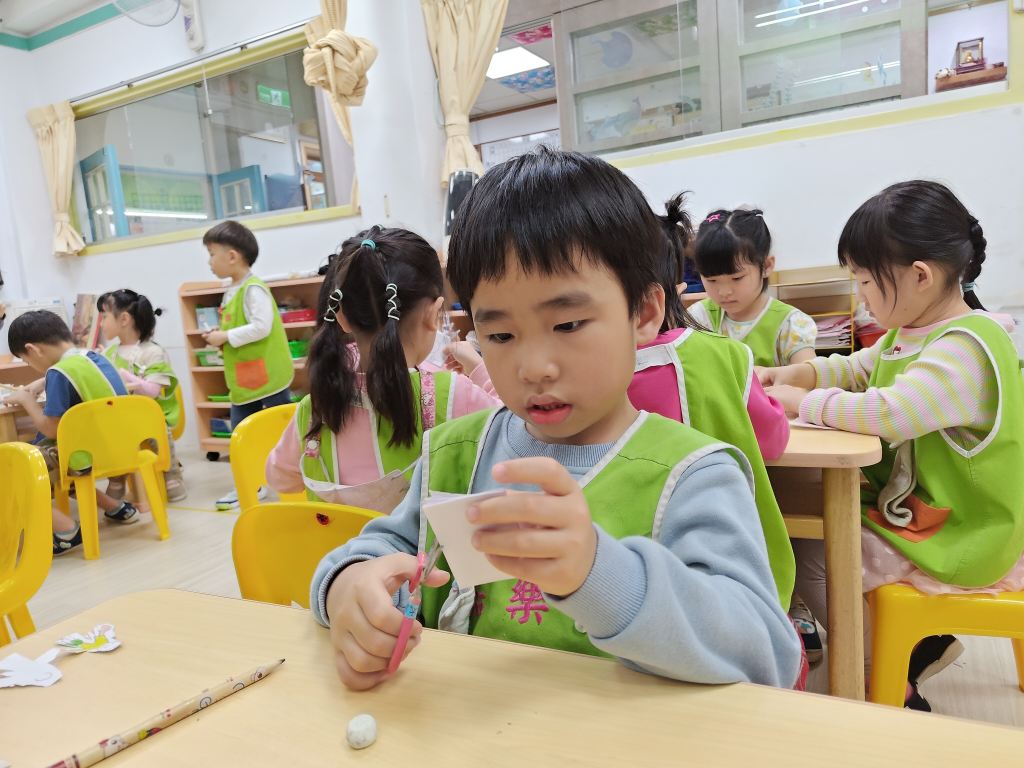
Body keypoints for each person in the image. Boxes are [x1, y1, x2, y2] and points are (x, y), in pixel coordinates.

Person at [310, 147, 801, 692]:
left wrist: (599, 574)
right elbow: (377, 551)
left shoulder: (693, 476)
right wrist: (351, 587)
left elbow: (764, 655)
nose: (534, 367)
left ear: (643, 313)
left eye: (567, 325)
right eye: (500, 335)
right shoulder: (454, 455)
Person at [761, 180, 1024, 710]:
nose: (861, 296)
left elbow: (892, 413)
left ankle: (883, 674)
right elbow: (858, 369)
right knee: (813, 527)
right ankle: (917, 646)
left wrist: (803, 403)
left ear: (920, 276)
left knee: (814, 553)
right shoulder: (914, 331)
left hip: (967, 530)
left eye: (865, 282)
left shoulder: (965, 349)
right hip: (926, 510)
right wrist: (795, 374)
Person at [266, 226, 499, 511]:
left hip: (339, 542)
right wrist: (477, 366)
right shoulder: (452, 394)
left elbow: (281, 479)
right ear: (432, 314)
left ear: (342, 317)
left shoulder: (315, 408)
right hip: (423, 543)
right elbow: (513, 430)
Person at [6, 310, 139, 555]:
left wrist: (26, 400)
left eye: (26, 360)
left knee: (10, 469)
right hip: (117, 448)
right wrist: (42, 382)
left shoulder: (58, 373)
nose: (30, 366)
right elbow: (78, 376)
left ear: (33, 349)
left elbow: (50, 428)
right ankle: (116, 507)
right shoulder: (95, 357)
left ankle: (67, 530)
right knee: (60, 468)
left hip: (85, 456)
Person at [201, 220, 293, 511]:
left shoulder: (253, 289)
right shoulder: (232, 290)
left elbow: (262, 327)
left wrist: (225, 336)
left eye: (212, 254)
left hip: (268, 376)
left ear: (232, 256)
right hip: (246, 378)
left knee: (283, 432)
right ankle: (250, 484)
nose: (209, 262)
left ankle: (294, 481)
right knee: (241, 434)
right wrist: (219, 337)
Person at [690, 208, 817, 367]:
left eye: (737, 278)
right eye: (711, 280)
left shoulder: (790, 324)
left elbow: (807, 378)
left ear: (766, 266)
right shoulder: (698, 318)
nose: (724, 292)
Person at [98, 289, 186, 501]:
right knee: (109, 436)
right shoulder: (109, 353)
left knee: (158, 431)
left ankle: (171, 473)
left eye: (104, 317)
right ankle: (117, 478)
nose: (101, 324)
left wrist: (125, 376)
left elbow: (153, 391)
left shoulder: (152, 351)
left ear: (124, 319)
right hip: (120, 417)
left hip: (150, 414)